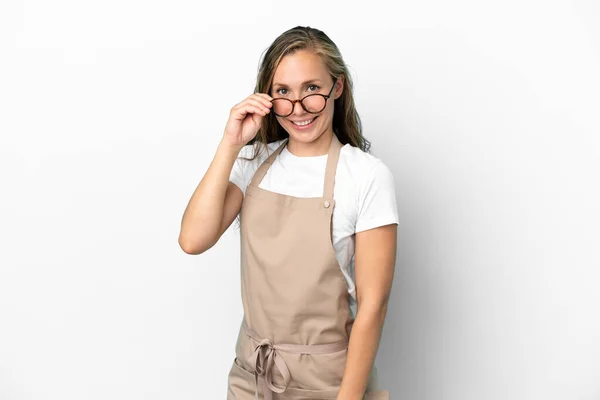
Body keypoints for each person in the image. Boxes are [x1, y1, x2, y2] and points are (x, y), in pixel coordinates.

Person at [179, 26, 398, 400]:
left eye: (312, 89)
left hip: (329, 383)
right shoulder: (253, 163)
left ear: (338, 88)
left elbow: (372, 308)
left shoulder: (365, 176)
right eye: (283, 93)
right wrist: (231, 143)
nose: (298, 109)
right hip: (253, 377)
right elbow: (192, 240)